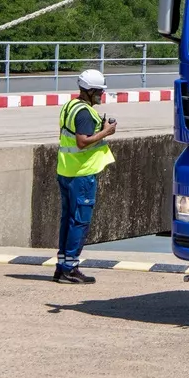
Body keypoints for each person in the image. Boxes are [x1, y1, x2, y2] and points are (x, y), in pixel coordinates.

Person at [54, 69, 117, 284]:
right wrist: (106, 132)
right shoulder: (84, 113)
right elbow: (82, 142)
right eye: (99, 91)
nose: (102, 95)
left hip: (66, 170)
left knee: (68, 219)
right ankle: (70, 268)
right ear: (89, 91)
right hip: (82, 174)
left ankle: (62, 266)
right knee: (80, 221)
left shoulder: (70, 106)